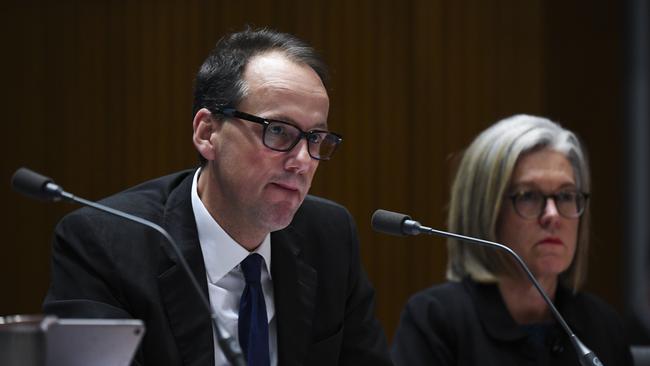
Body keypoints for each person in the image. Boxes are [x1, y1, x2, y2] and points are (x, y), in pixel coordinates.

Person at [43, 28, 392, 366]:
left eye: (315, 138)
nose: (302, 161)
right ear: (208, 133)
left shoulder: (329, 236)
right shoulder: (105, 244)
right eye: (278, 131)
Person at [391, 115, 633, 365]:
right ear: (486, 210)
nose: (552, 215)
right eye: (528, 196)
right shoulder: (436, 321)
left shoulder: (602, 326)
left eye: (566, 196)